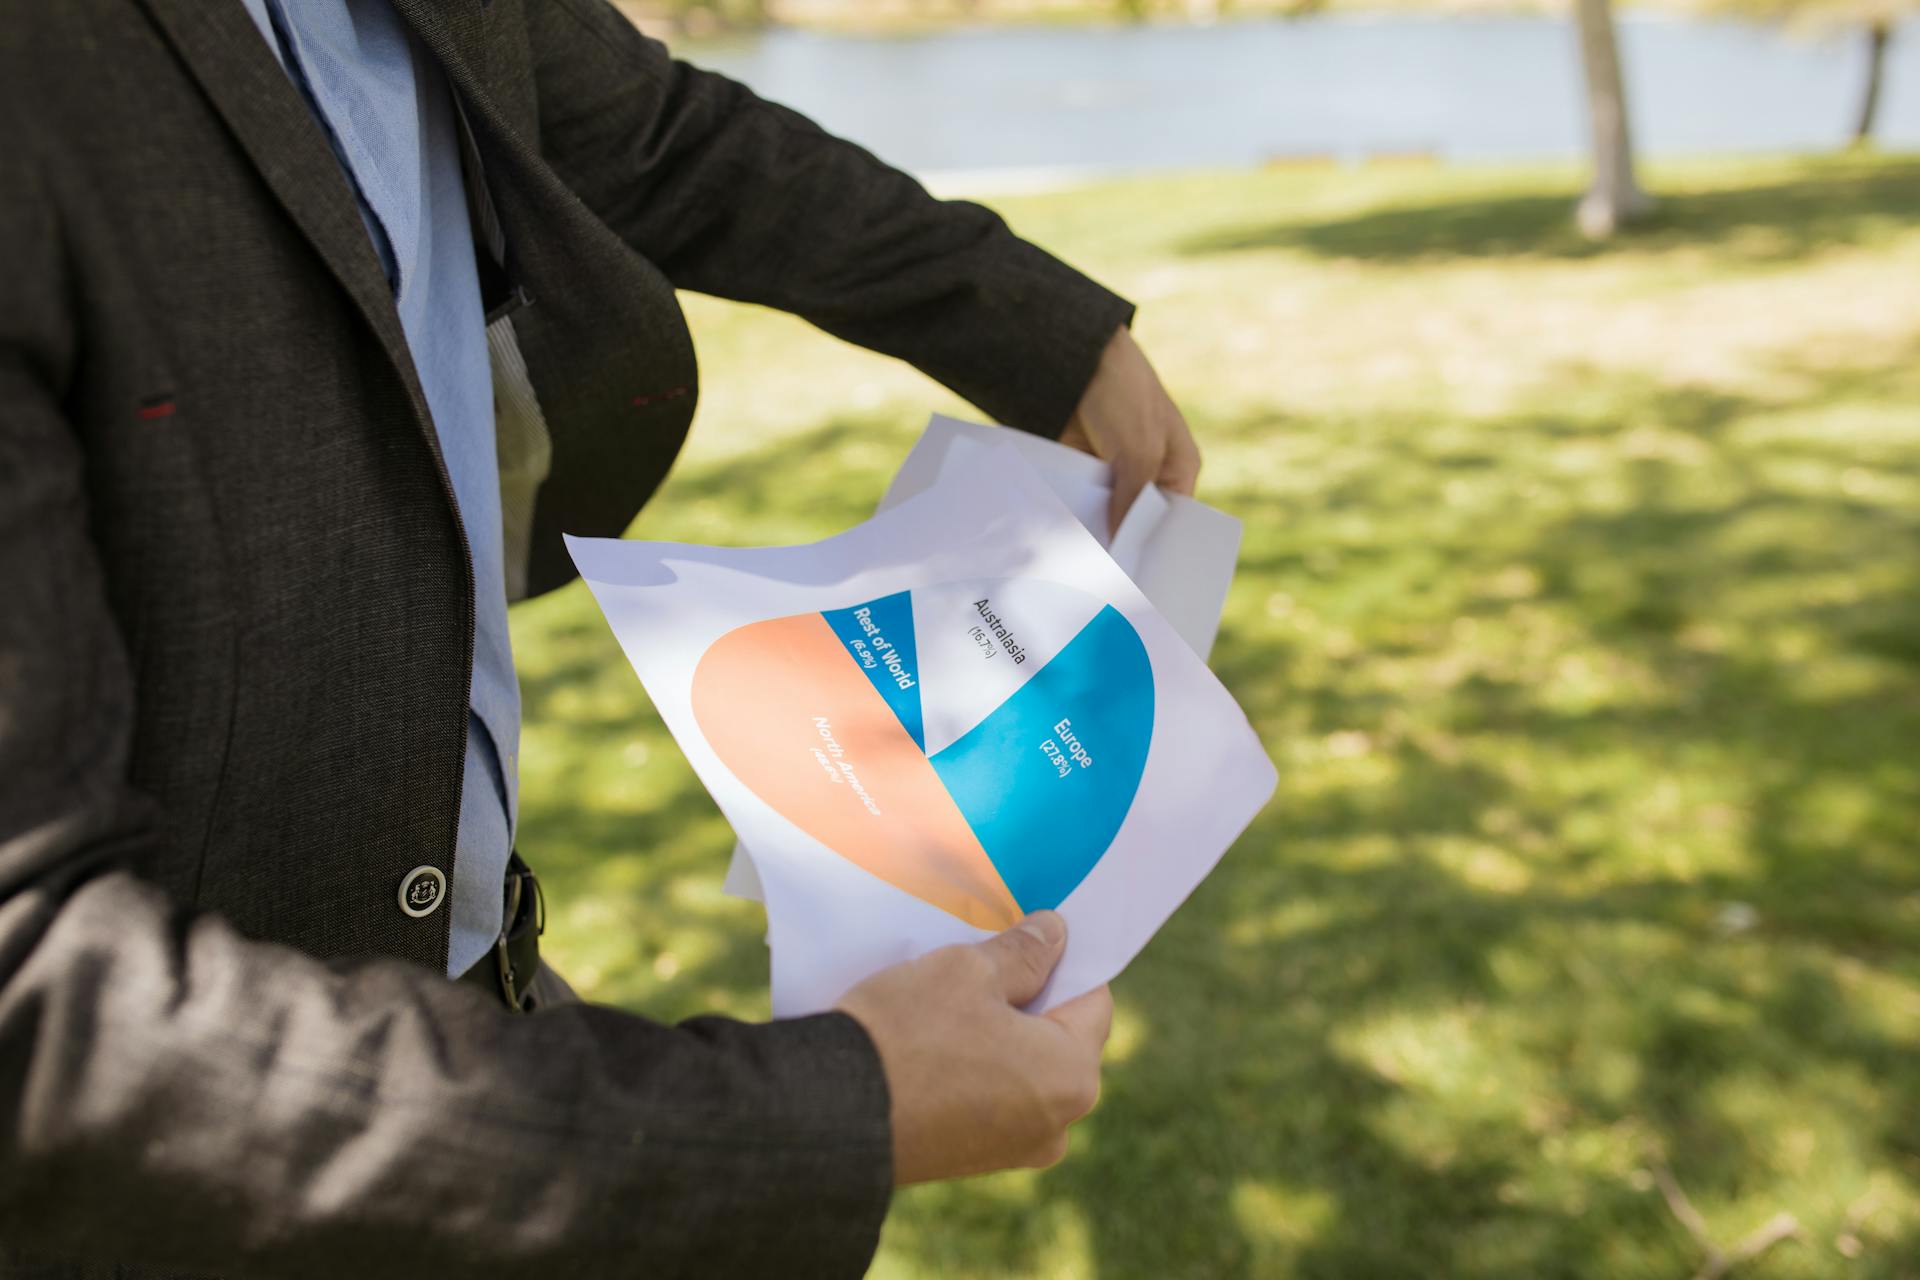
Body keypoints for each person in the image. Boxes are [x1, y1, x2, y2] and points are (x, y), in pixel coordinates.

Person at [0, 0, 1201, 1275]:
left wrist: (1046, 331)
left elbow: (664, 138)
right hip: (211, 1156)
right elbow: (45, 1012)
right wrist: (845, 1107)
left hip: (477, 991)